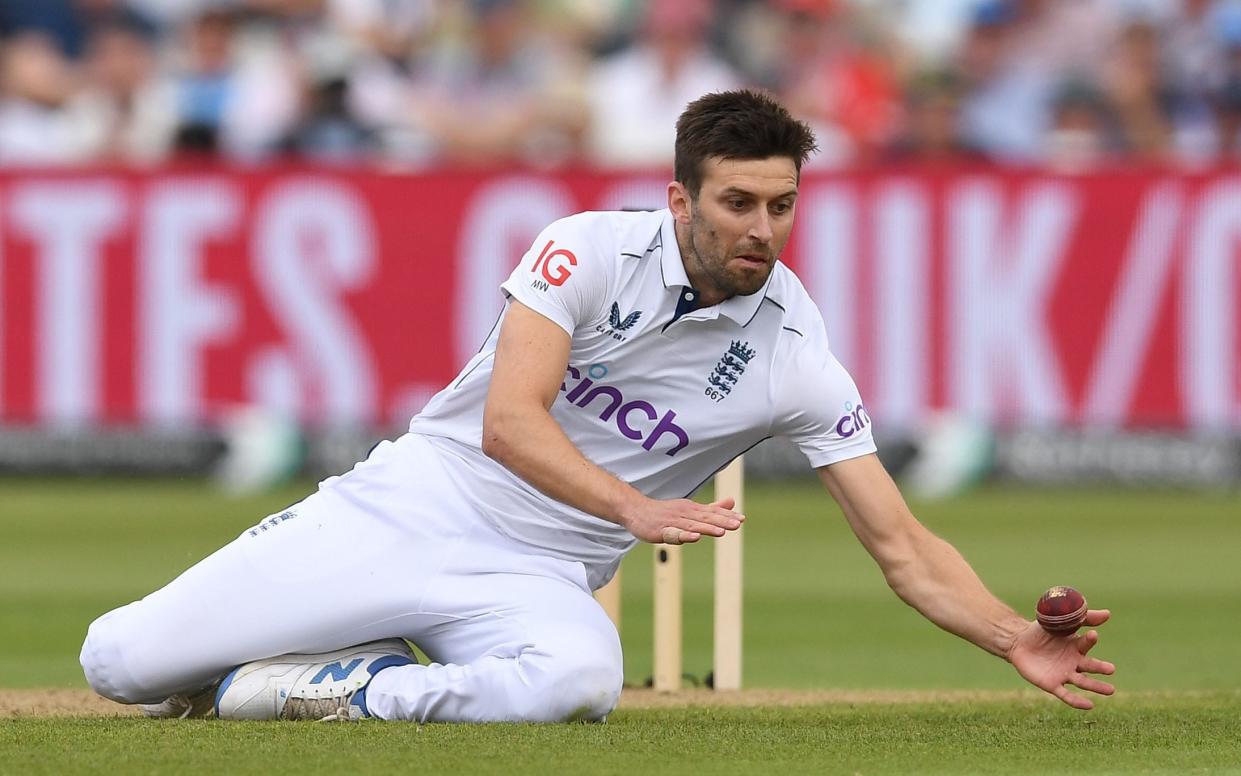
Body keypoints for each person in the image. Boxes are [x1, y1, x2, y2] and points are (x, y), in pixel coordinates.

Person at [80, 89, 1115, 723]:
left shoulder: (795, 356)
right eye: (737, 202)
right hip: (413, 503)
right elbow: (509, 421)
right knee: (117, 661)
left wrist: (1004, 633)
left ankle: (339, 688)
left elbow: (899, 541)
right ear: (679, 199)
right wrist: (633, 508)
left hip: (536, 571)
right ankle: (315, 656)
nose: (762, 227)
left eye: (781, 204)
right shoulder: (583, 247)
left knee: (575, 683)